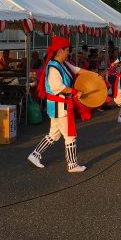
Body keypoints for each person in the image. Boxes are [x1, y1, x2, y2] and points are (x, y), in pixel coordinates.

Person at [27, 36, 94, 173]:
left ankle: (35, 155)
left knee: (54, 134)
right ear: (59, 51)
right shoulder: (53, 67)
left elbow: (77, 70)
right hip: (60, 106)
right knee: (70, 135)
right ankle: (72, 165)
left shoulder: (62, 64)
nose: (68, 53)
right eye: (67, 50)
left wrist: (94, 75)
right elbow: (57, 86)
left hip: (60, 105)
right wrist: (75, 91)